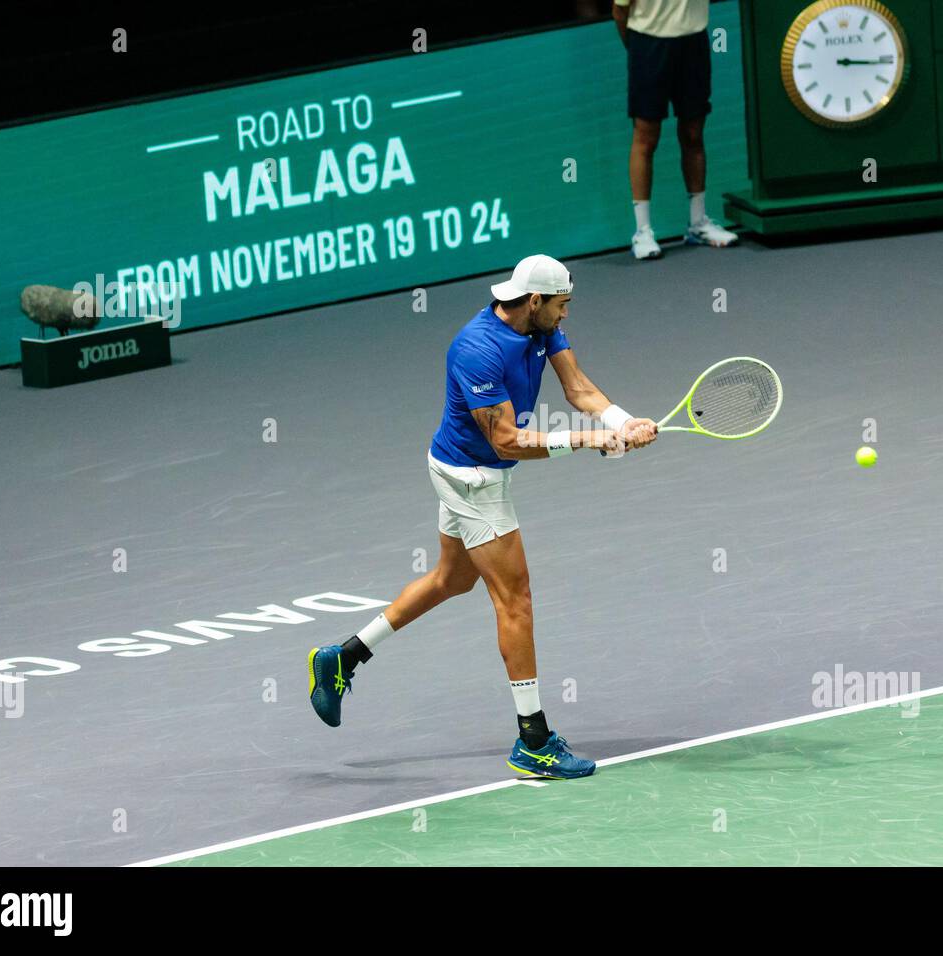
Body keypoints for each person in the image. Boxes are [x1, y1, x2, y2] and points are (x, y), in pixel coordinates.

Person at [307, 254, 658, 779]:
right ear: (534, 301)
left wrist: (624, 422)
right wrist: (588, 440)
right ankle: (533, 741)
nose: (565, 316)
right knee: (515, 600)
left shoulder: (541, 328)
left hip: (465, 468)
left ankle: (345, 657)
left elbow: (578, 387)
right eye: (561, 306)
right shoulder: (476, 350)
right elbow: (506, 441)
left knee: (451, 579)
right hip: (473, 477)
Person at [613, 0, 739, 259]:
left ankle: (697, 224)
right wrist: (639, 50)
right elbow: (619, 11)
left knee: (694, 133)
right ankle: (642, 232)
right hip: (648, 44)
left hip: (693, 41)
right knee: (646, 137)